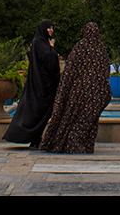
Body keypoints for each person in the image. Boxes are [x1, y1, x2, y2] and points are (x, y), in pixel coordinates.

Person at [40, 23, 112, 154]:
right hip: (96, 94)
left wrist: (64, 89)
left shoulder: (80, 47)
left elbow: (70, 69)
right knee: (89, 120)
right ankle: (84, 145)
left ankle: (71, 144)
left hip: (79, 92)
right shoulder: (101, 49)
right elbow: (105, 70)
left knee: (74, 117)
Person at [3, 20, 60, 148]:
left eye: (52, 28)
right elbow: (48, 61)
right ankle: (31, 137)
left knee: (42, 113)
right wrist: (52, 49)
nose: (51, 30)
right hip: (41, 86)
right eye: (49, 28)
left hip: (44, 84)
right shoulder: (40, 43)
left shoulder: (42, 42)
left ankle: (36, 139)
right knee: (38, 113)